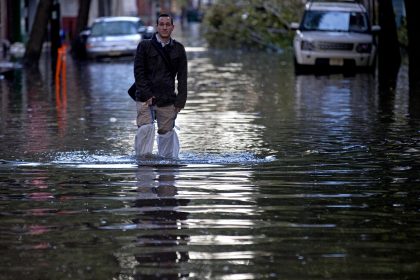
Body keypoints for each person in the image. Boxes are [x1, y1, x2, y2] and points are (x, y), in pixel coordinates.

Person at [133, 14, 188, 158]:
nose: (164, 27)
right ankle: (143, 168)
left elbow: (182, 77)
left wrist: (181, 101)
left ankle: (167, 173)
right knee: (146, 128)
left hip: (168, 98)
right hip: (145, 98)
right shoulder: (144, 46)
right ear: (157, 26)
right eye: (161, 24)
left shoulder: (179, 49)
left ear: (172, 27)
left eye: (167, 24)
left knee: (167, 134)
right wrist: (147, 95)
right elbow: (139, 72)